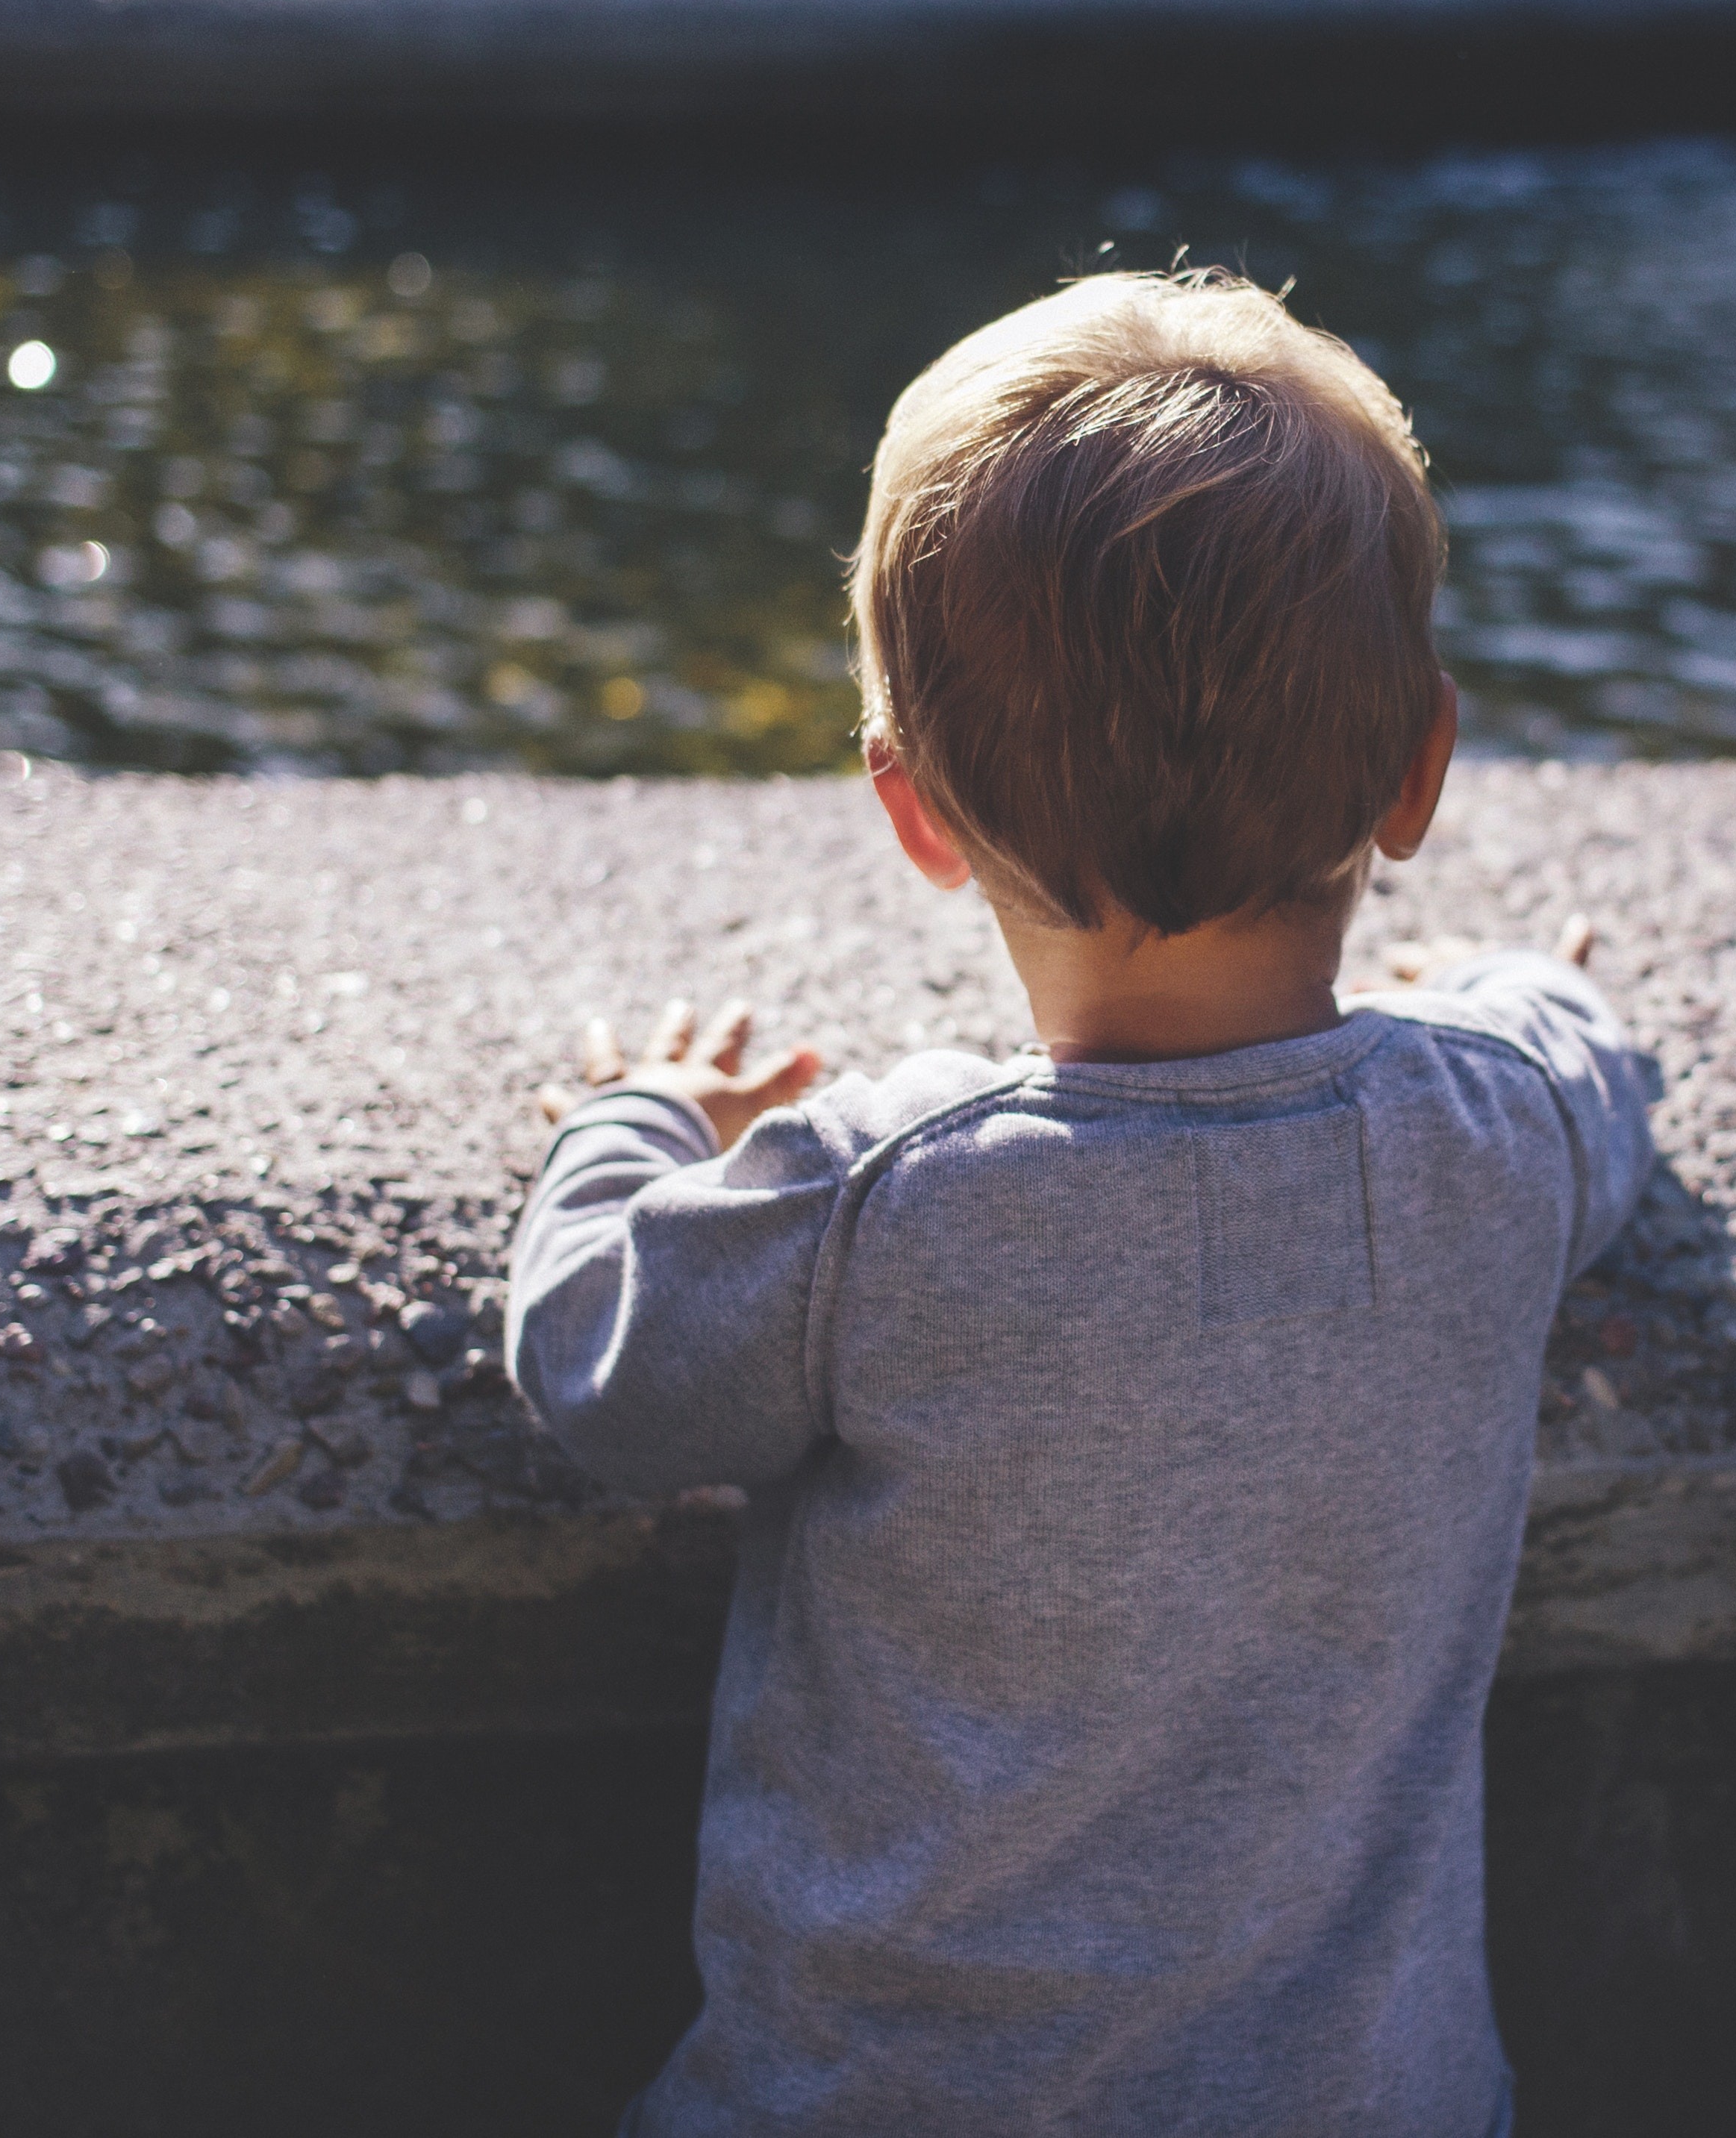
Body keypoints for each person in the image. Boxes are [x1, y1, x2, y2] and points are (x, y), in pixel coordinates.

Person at [509, 268, 1661, 2136]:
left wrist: (631, 1121)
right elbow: (1579, 1066)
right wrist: (1535, 991)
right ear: (1417, 768)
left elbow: (601, 1367)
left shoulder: (876, 1200)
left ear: (914, 811)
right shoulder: (1496, 1134)